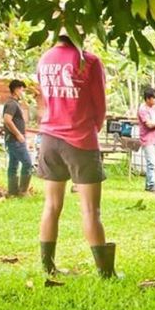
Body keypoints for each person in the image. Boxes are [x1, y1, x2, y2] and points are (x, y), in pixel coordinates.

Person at [36, 32, 114, 277]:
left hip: (49, 138)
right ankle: (105, 272)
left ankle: (48, 267)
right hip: (80, 139)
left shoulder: (45, 59)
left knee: (51, 205)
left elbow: (43, 100)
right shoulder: (88, 60)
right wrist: (92, 130)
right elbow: (99, 105)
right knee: (91, 210)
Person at [3, 79, 33, 197]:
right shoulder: (12, 104)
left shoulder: (14, 103)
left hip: (12, 139)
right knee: (27, 163)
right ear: (16, 90)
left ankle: (12, 191)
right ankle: (23, 191)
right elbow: (7, 120)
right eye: (21, 89)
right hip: (15, 140)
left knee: (13, 164)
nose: (22, 92)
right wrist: (18, 134)